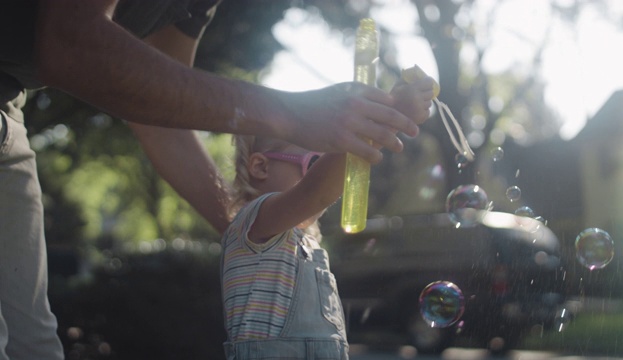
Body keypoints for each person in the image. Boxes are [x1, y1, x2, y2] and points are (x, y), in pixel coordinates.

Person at [0, 1, 437, 359]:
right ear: (260, 168)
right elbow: (69, 38)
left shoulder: (275, 240)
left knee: (33, 348)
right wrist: (355, 125)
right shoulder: (261, 219)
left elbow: (156, 114)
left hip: (7, 101)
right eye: (309, 158)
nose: (318, 166)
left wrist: (383, 120)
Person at [220, 78, 435, 359]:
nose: (328, 175)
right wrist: (388, 121)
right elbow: (316, 193)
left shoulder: (303, 244)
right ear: (261, 166)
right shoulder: (255, 221)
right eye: (315, 164)